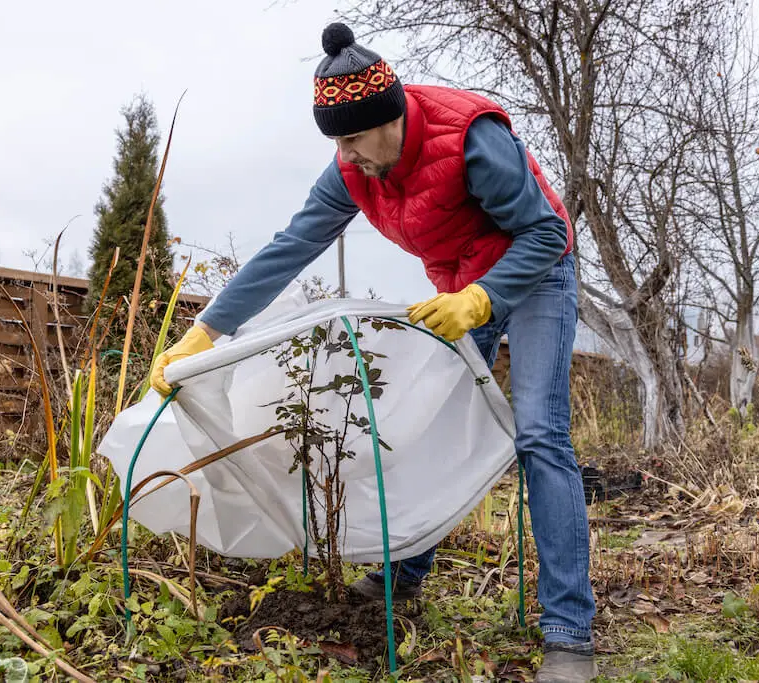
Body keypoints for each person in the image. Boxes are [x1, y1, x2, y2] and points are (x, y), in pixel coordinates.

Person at [149, 22, 597, 682]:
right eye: (338, 141)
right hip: (459, 284)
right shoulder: (353, 170)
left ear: (392, 118)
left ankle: (568, 632)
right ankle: (405, 572)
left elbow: (545, 230)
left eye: (354, 138)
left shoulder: (472, 141)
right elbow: (289, 246)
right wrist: (207, 330)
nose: (347, 155)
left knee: (537, 433)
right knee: (429, 426)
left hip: (534, 273)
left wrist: (481, 300)